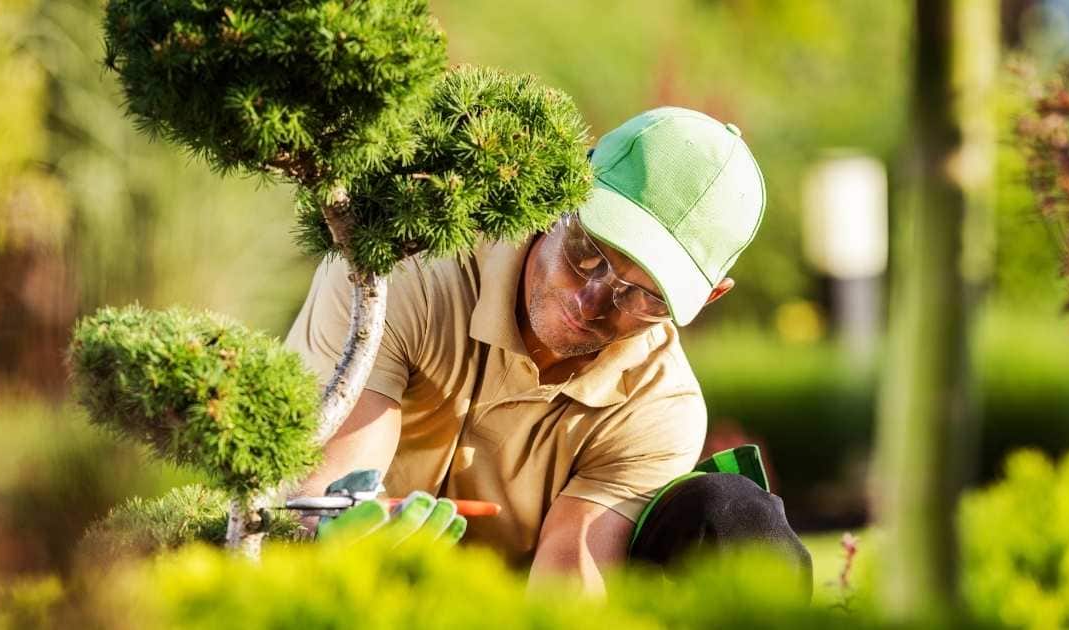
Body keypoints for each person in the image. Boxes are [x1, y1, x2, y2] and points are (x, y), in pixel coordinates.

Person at [285, 106, 810, 595]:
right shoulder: (407, 275)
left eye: (645, 296)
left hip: (504, 612)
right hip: (351, 594)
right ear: (561, 196)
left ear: (710, 296)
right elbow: (320, 498)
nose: (591, 301)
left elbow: (567, 586)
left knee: (737, 519)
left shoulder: (659, 404)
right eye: (588, 252)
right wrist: (342, 545)